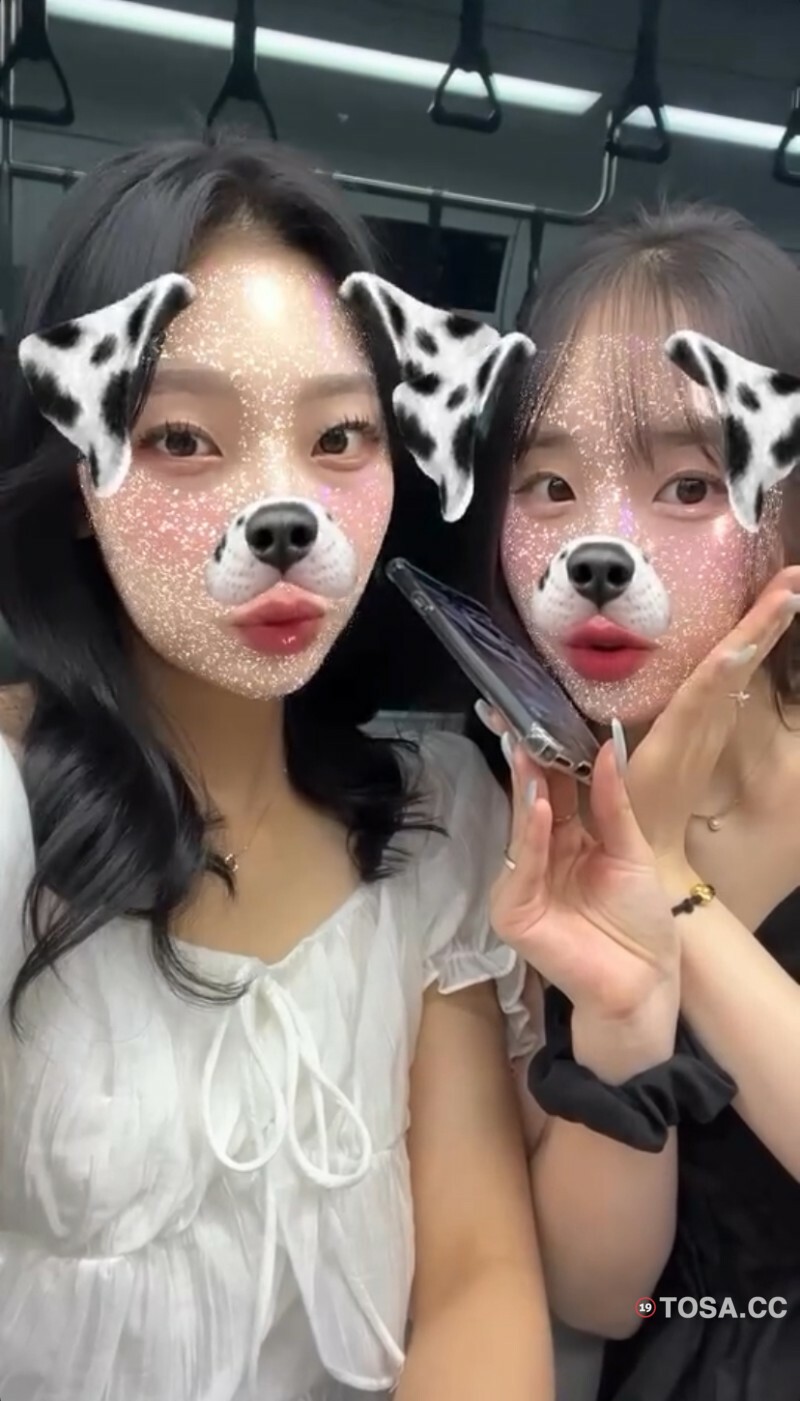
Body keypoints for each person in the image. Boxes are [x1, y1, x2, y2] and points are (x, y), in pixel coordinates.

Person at [0, 134, 555, 1401]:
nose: (280, 507)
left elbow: (478, 1272)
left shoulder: (432, 825)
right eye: (183, 439)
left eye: (339, 436)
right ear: (79, 474)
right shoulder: (9, 813)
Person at [485, 205, 800, 1401]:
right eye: (550, 484)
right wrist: (621, 1011)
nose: (598, 550)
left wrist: (665, 880)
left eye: (684, 482)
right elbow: (598, 1297)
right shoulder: (520, 825)